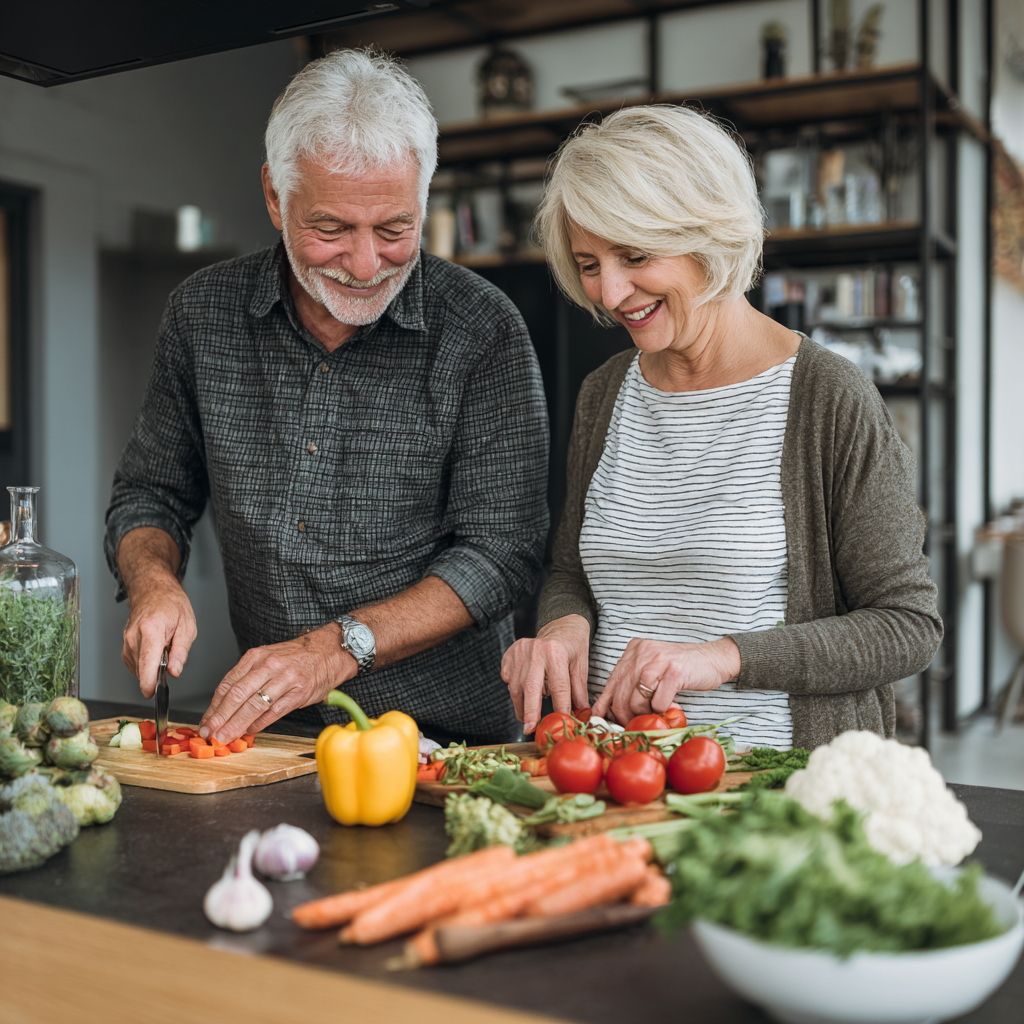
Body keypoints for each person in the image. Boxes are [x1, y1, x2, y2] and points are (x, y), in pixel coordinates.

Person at [106, 49, 548, 746]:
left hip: (455, 741)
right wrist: (153, 583)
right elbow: (150, 493)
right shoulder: (201, 316)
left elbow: (503, 553)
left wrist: (335, 650)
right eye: (332, 229)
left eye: (395, 229)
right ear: (276, 198)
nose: (367, 266)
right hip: (280, 738)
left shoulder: (484, 330)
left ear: (424, 199)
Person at [501, 105, 941, 750]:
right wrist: (564, 625)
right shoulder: (605, 394)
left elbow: (906, 625)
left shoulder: (828, 397)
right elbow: (571, 568)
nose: (610, 291)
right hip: (615, 773)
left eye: (635, 254)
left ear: (709, 233)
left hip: (772, 789)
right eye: (588, 263)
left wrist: (722, 657)